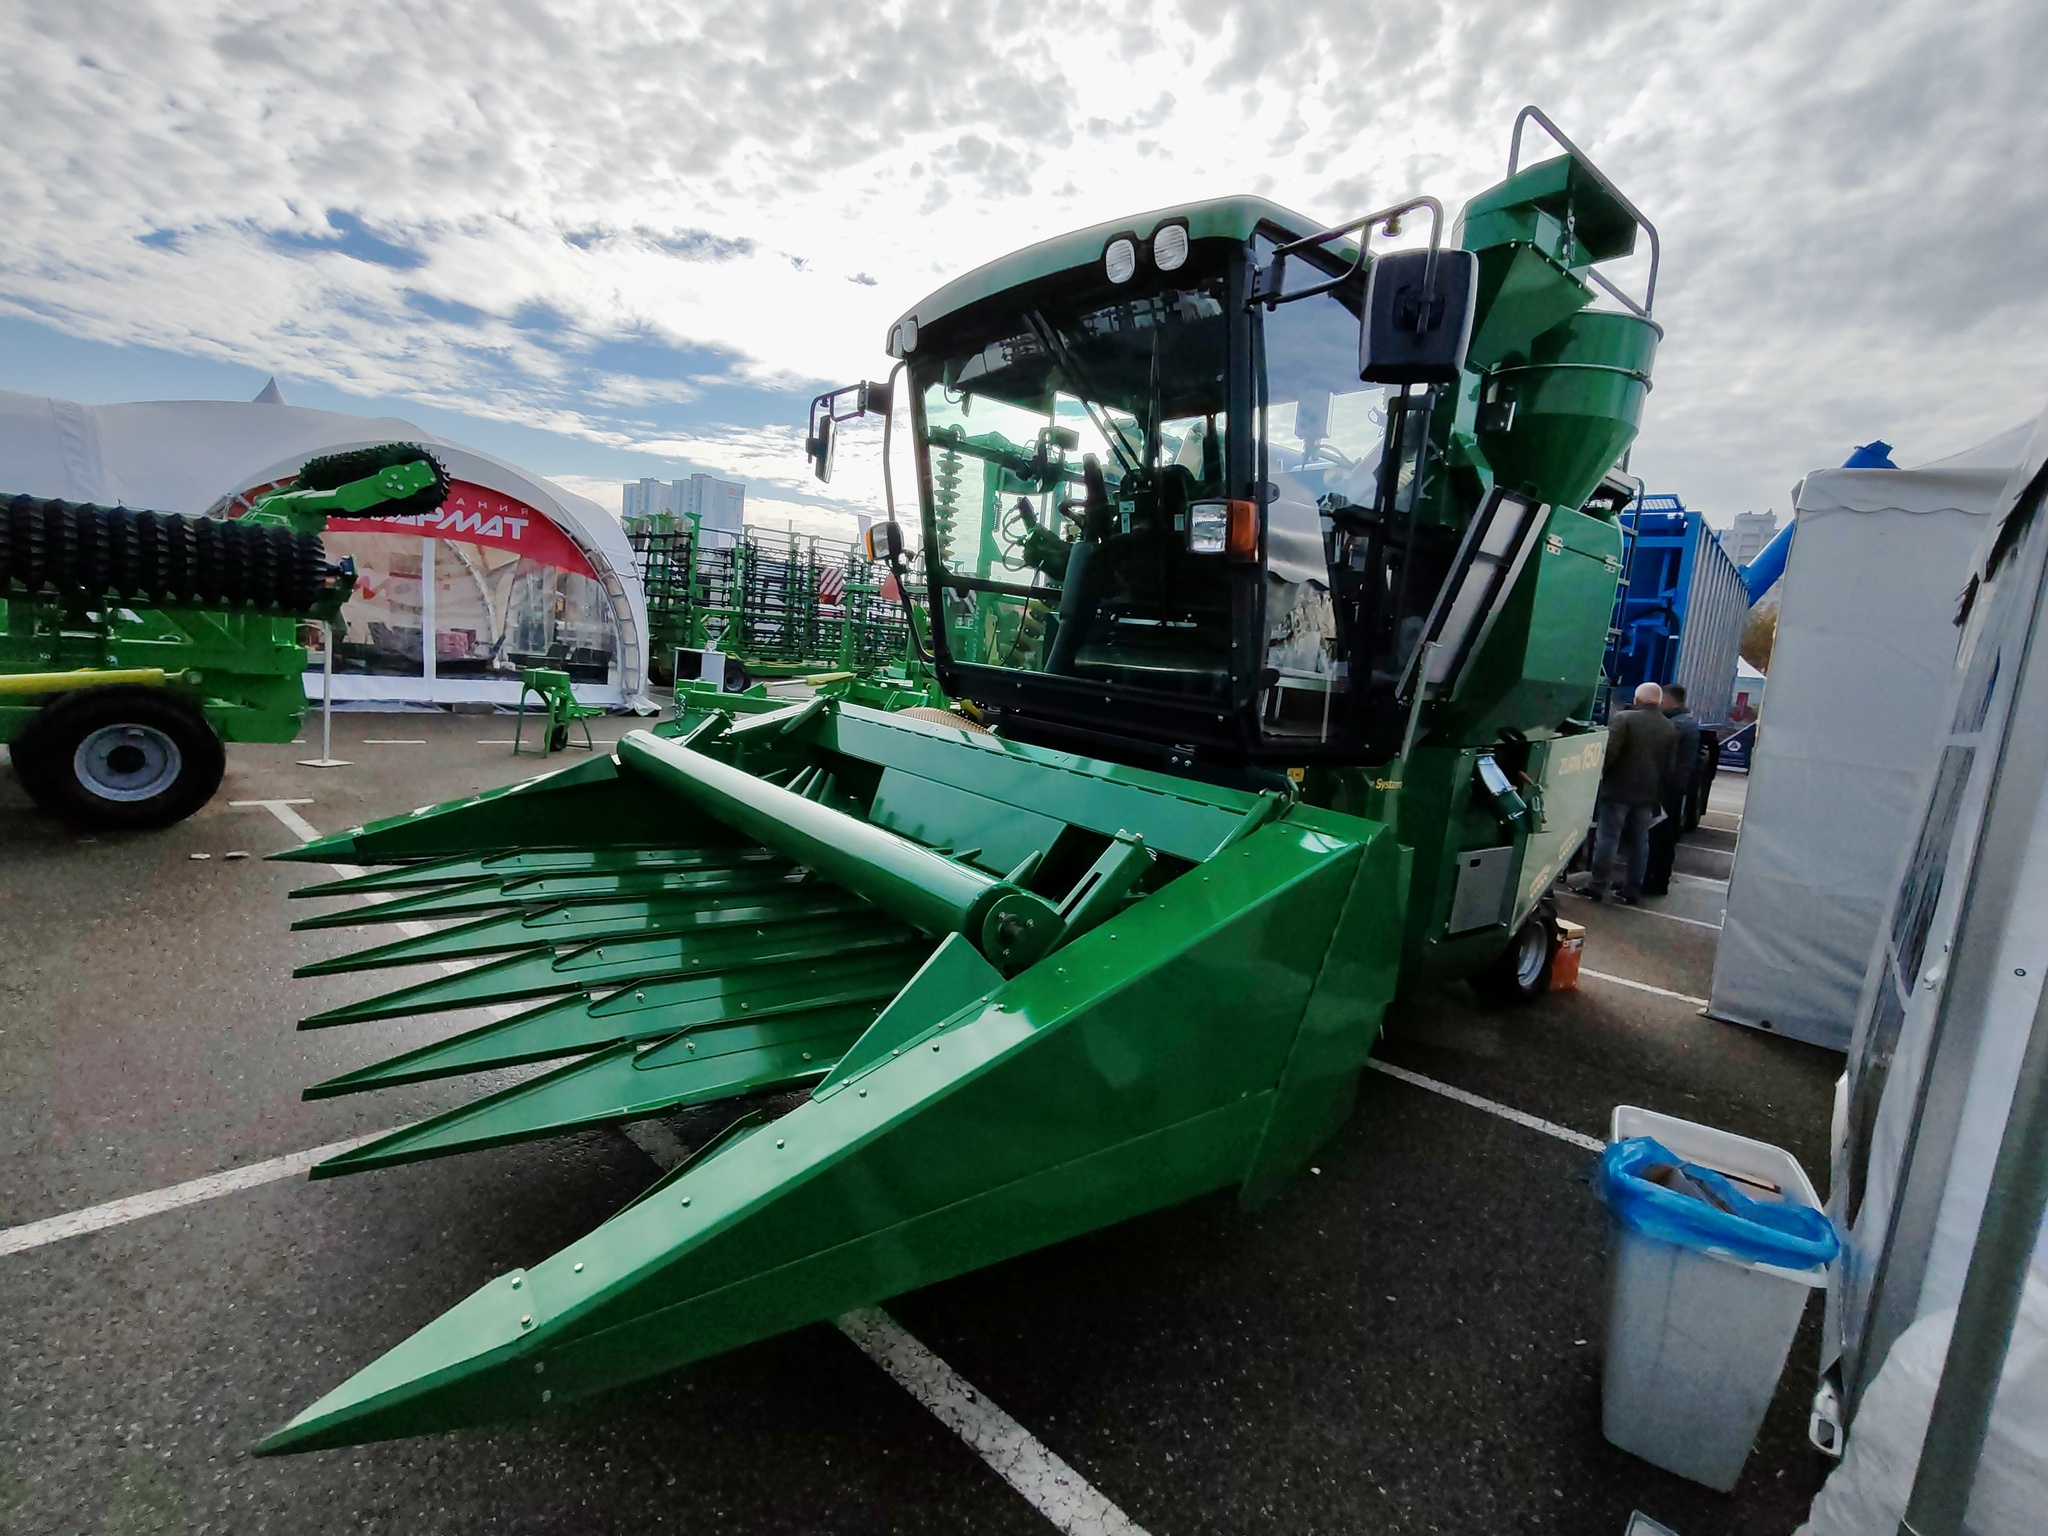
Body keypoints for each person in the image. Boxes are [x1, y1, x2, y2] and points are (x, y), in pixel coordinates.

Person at [1590, 681, 1679, 903]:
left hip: (1618, 790)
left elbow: (1610, 755)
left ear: (1637, 699)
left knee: (1608, 839)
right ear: (1658, 701)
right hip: (1648, 794)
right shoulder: (1669, 727)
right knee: (1640, 842)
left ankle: (1598, 885)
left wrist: (1600, 776)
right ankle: (1632, 890)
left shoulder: (1624, 719)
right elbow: (1669, 766)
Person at [1641, 683, 1702, 897]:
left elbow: (1658, 746)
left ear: (1668, 700)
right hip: (1675, 787)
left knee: (1659, 836)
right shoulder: (1687, 722)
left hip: (1668, 789)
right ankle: (1655, 879)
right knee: (1664, 836)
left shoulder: (1678, 725)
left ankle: (1654, 880)